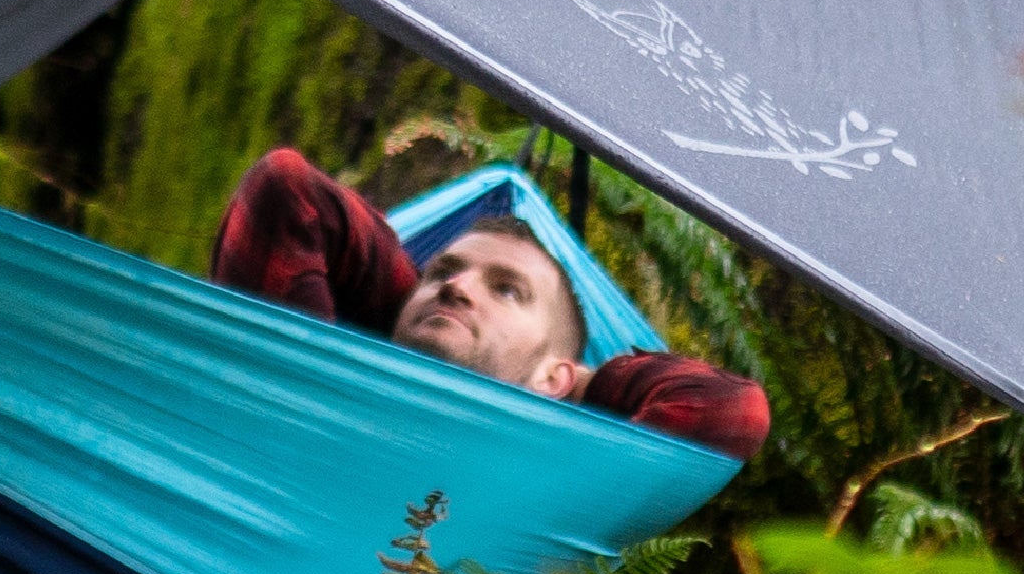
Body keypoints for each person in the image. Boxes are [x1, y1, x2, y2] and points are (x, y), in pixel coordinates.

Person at [213, 149, 769, 456]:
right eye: (445, 271)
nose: (458, 285)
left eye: (507, 289)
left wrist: (564, 383)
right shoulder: (298, 388)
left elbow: (732, 410)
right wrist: (415, 322)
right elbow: (283, 186)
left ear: (556, 380)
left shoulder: (543, 478)